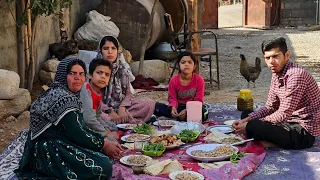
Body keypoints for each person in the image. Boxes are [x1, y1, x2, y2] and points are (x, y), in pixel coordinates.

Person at [15, 57, 123, 179]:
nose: (78, 78)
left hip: (60, 140)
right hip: (45, 150)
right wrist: (103, 143)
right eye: (72, 73)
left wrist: (103, 141)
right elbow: (78, 132)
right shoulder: (63, 97)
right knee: (103, 166)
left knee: (104, 148)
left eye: (81, 74)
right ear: (63, 75)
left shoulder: (65, 93)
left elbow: (79, 127)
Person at [232, 37, 320, 149]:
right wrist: (246, 120)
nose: (271, 62)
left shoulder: (296, 76)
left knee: (254, 125)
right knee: (247, 114)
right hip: (285, 123)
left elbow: (283, 114)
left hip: (302, 130)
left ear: (287, 55)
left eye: (275, 56)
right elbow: (270, 106)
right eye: (267, 58)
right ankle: (267, 139)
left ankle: (271, 142)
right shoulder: (276, 72)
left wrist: (250, 125)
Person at [97, 36, 155, 124]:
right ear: (100, 51)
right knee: (97, 115)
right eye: (105, 48)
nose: (110, 52)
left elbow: (128, 93)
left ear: (118, 51)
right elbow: (94, 97)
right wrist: (110, 111)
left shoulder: (122, 68)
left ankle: (122, 117)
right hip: (102, 108)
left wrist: (122, 108)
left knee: (148, 103)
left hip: (120, 106)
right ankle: (120, 119)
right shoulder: (96, 69)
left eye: (113, 48)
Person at [154, 51, 208, 121]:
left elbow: (198, 100)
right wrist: (173, 108)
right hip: (178, 107)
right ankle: (178, 116)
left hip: (193, 107)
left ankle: (178, 118)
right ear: (179, 65)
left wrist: (187, 110)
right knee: (157, 108)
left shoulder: (199, 80)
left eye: (190, 62)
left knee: (203, 112)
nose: (186, 64)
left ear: (194, 66)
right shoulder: (173, 80)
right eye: (183, 62)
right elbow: (172, 98)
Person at [80, 58, 119, 140]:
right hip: (82, 127)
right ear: (90, 75)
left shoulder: (98, 92)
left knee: (112, 126)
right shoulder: (85, 89)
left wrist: (105, 128)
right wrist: (106, 133)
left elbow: (97, 116)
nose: (103, 77)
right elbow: (88, 119)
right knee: (111, 141)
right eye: (99, 73)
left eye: (107, 75)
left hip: (92, 122)